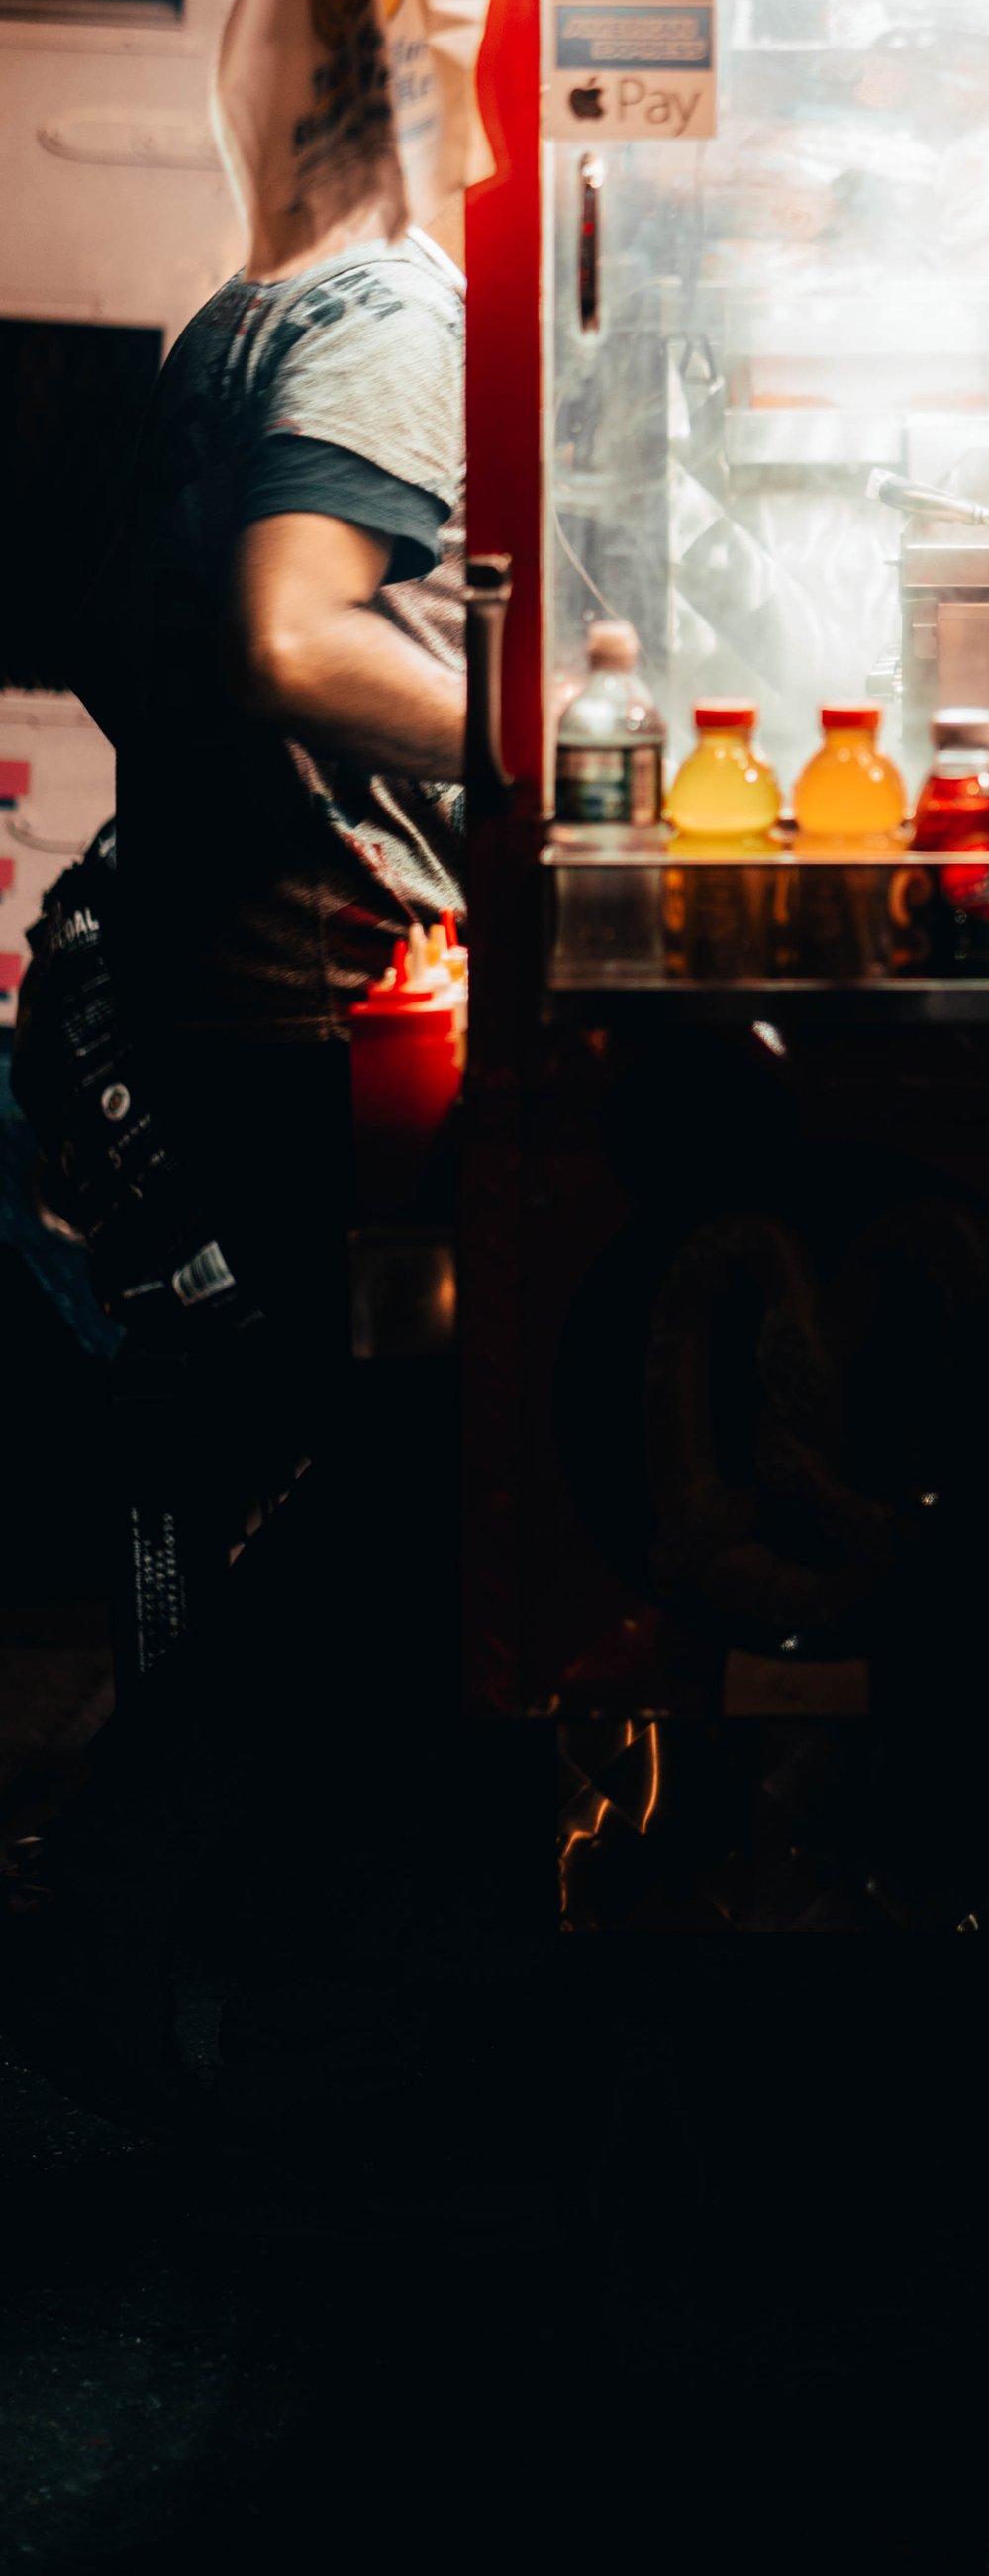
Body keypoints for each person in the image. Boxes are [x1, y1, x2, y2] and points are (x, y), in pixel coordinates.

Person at [1, 194, 466, 2126]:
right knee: (413, 1476)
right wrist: (573, 744)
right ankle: (105, 1907)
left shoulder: (272, 316)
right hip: (312, 1005)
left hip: (251, 986)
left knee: (363, 1478)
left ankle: (278, 1976)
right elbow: (295, 637)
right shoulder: (393, 321)